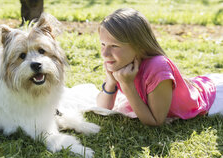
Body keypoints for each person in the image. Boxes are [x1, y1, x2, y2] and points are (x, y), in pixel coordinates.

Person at [92, 7, 223, 126]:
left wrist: (127, 85)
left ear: (139, 46)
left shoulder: (158, 66)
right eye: (103, 44)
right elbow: (103, 108)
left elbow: (155, 122)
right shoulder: (120, 62)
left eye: (114, 46)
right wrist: (110, 82)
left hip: (214, 98)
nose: (104, 53)